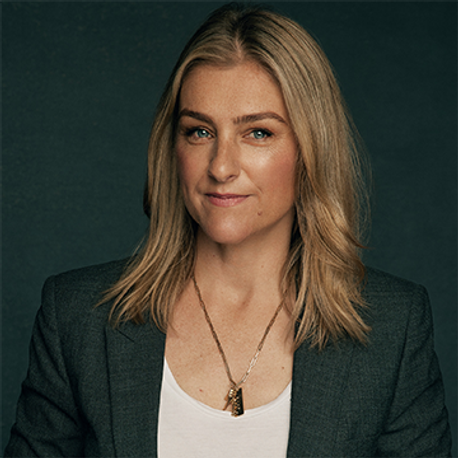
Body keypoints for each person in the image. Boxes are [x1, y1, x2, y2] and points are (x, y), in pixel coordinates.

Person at [4, 3, 452, 457]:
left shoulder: (393, 327)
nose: (221, 167)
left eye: (258, 133)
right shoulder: (78, 317)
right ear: (173, 147)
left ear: (311, 149)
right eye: (199, 131)